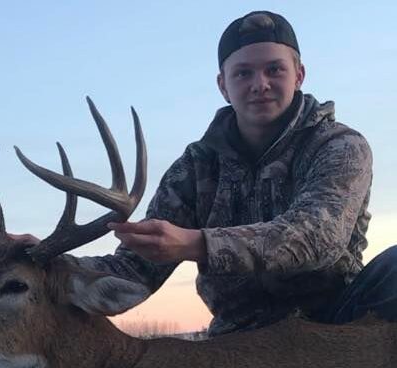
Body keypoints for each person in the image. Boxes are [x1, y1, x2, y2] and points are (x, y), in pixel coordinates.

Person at [63, 10, 397, 336]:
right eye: (243, 73)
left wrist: (198, 244)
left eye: (274, 70)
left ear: (299, 75)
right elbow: (134, 269)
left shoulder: (339, 146)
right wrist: (47, 262)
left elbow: (316, 237)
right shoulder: (194, 167)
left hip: (336, 322)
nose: (260, 84)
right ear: (223, 85)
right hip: (238, 337)